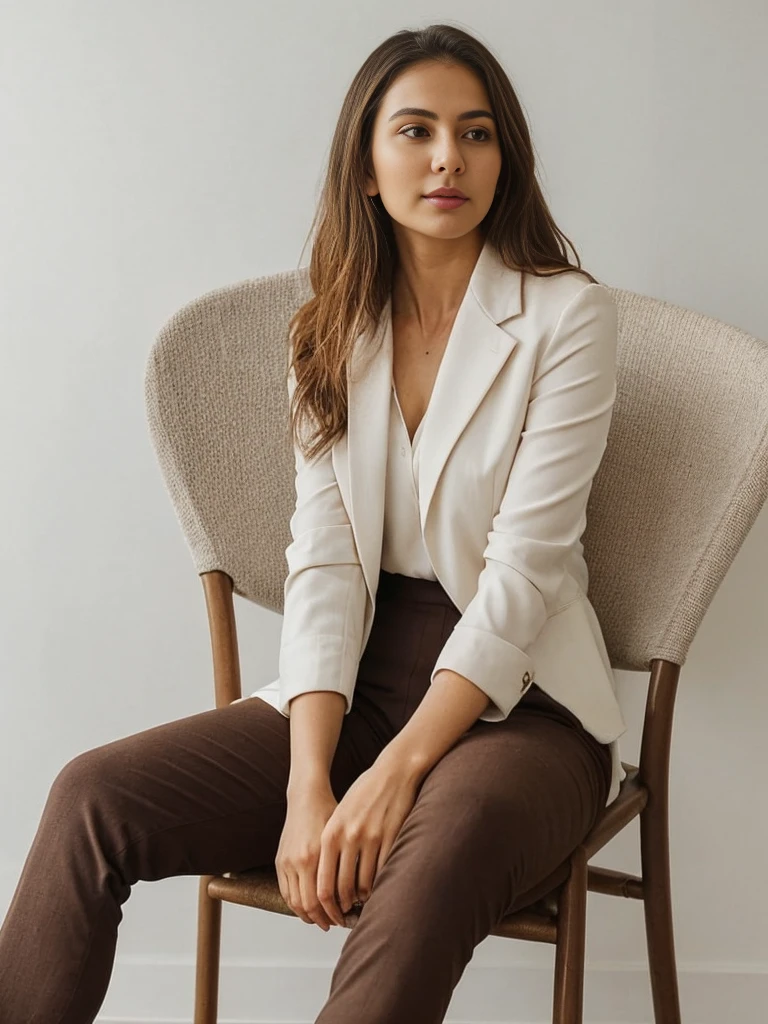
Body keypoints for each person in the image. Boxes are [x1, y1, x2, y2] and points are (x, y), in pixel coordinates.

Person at [0, 23, 626, 1024]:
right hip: (358, 687)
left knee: (432, 860)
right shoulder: (332, 329)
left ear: (506, 160)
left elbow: (525, 574)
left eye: (476, 134)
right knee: (92, 798)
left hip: (526, 707)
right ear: (367, 168)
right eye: (415, 131)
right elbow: (326, 565)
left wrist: (395, 774)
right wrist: (307, 787)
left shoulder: (566, 318)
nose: (447, 159)